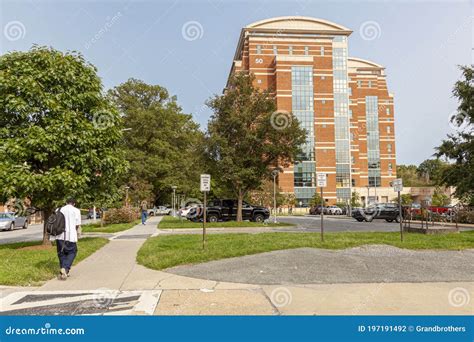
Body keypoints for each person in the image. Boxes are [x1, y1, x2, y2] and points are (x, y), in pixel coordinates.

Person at [51, 198, 81, 280]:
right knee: (72, 252)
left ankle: (63, 271)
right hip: (70, 236)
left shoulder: (59, 209)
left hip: (59, 235)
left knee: (61, 253)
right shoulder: (76, 210)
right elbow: (77, 224)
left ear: (66, 203)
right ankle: (65, 268)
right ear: (74, 203)